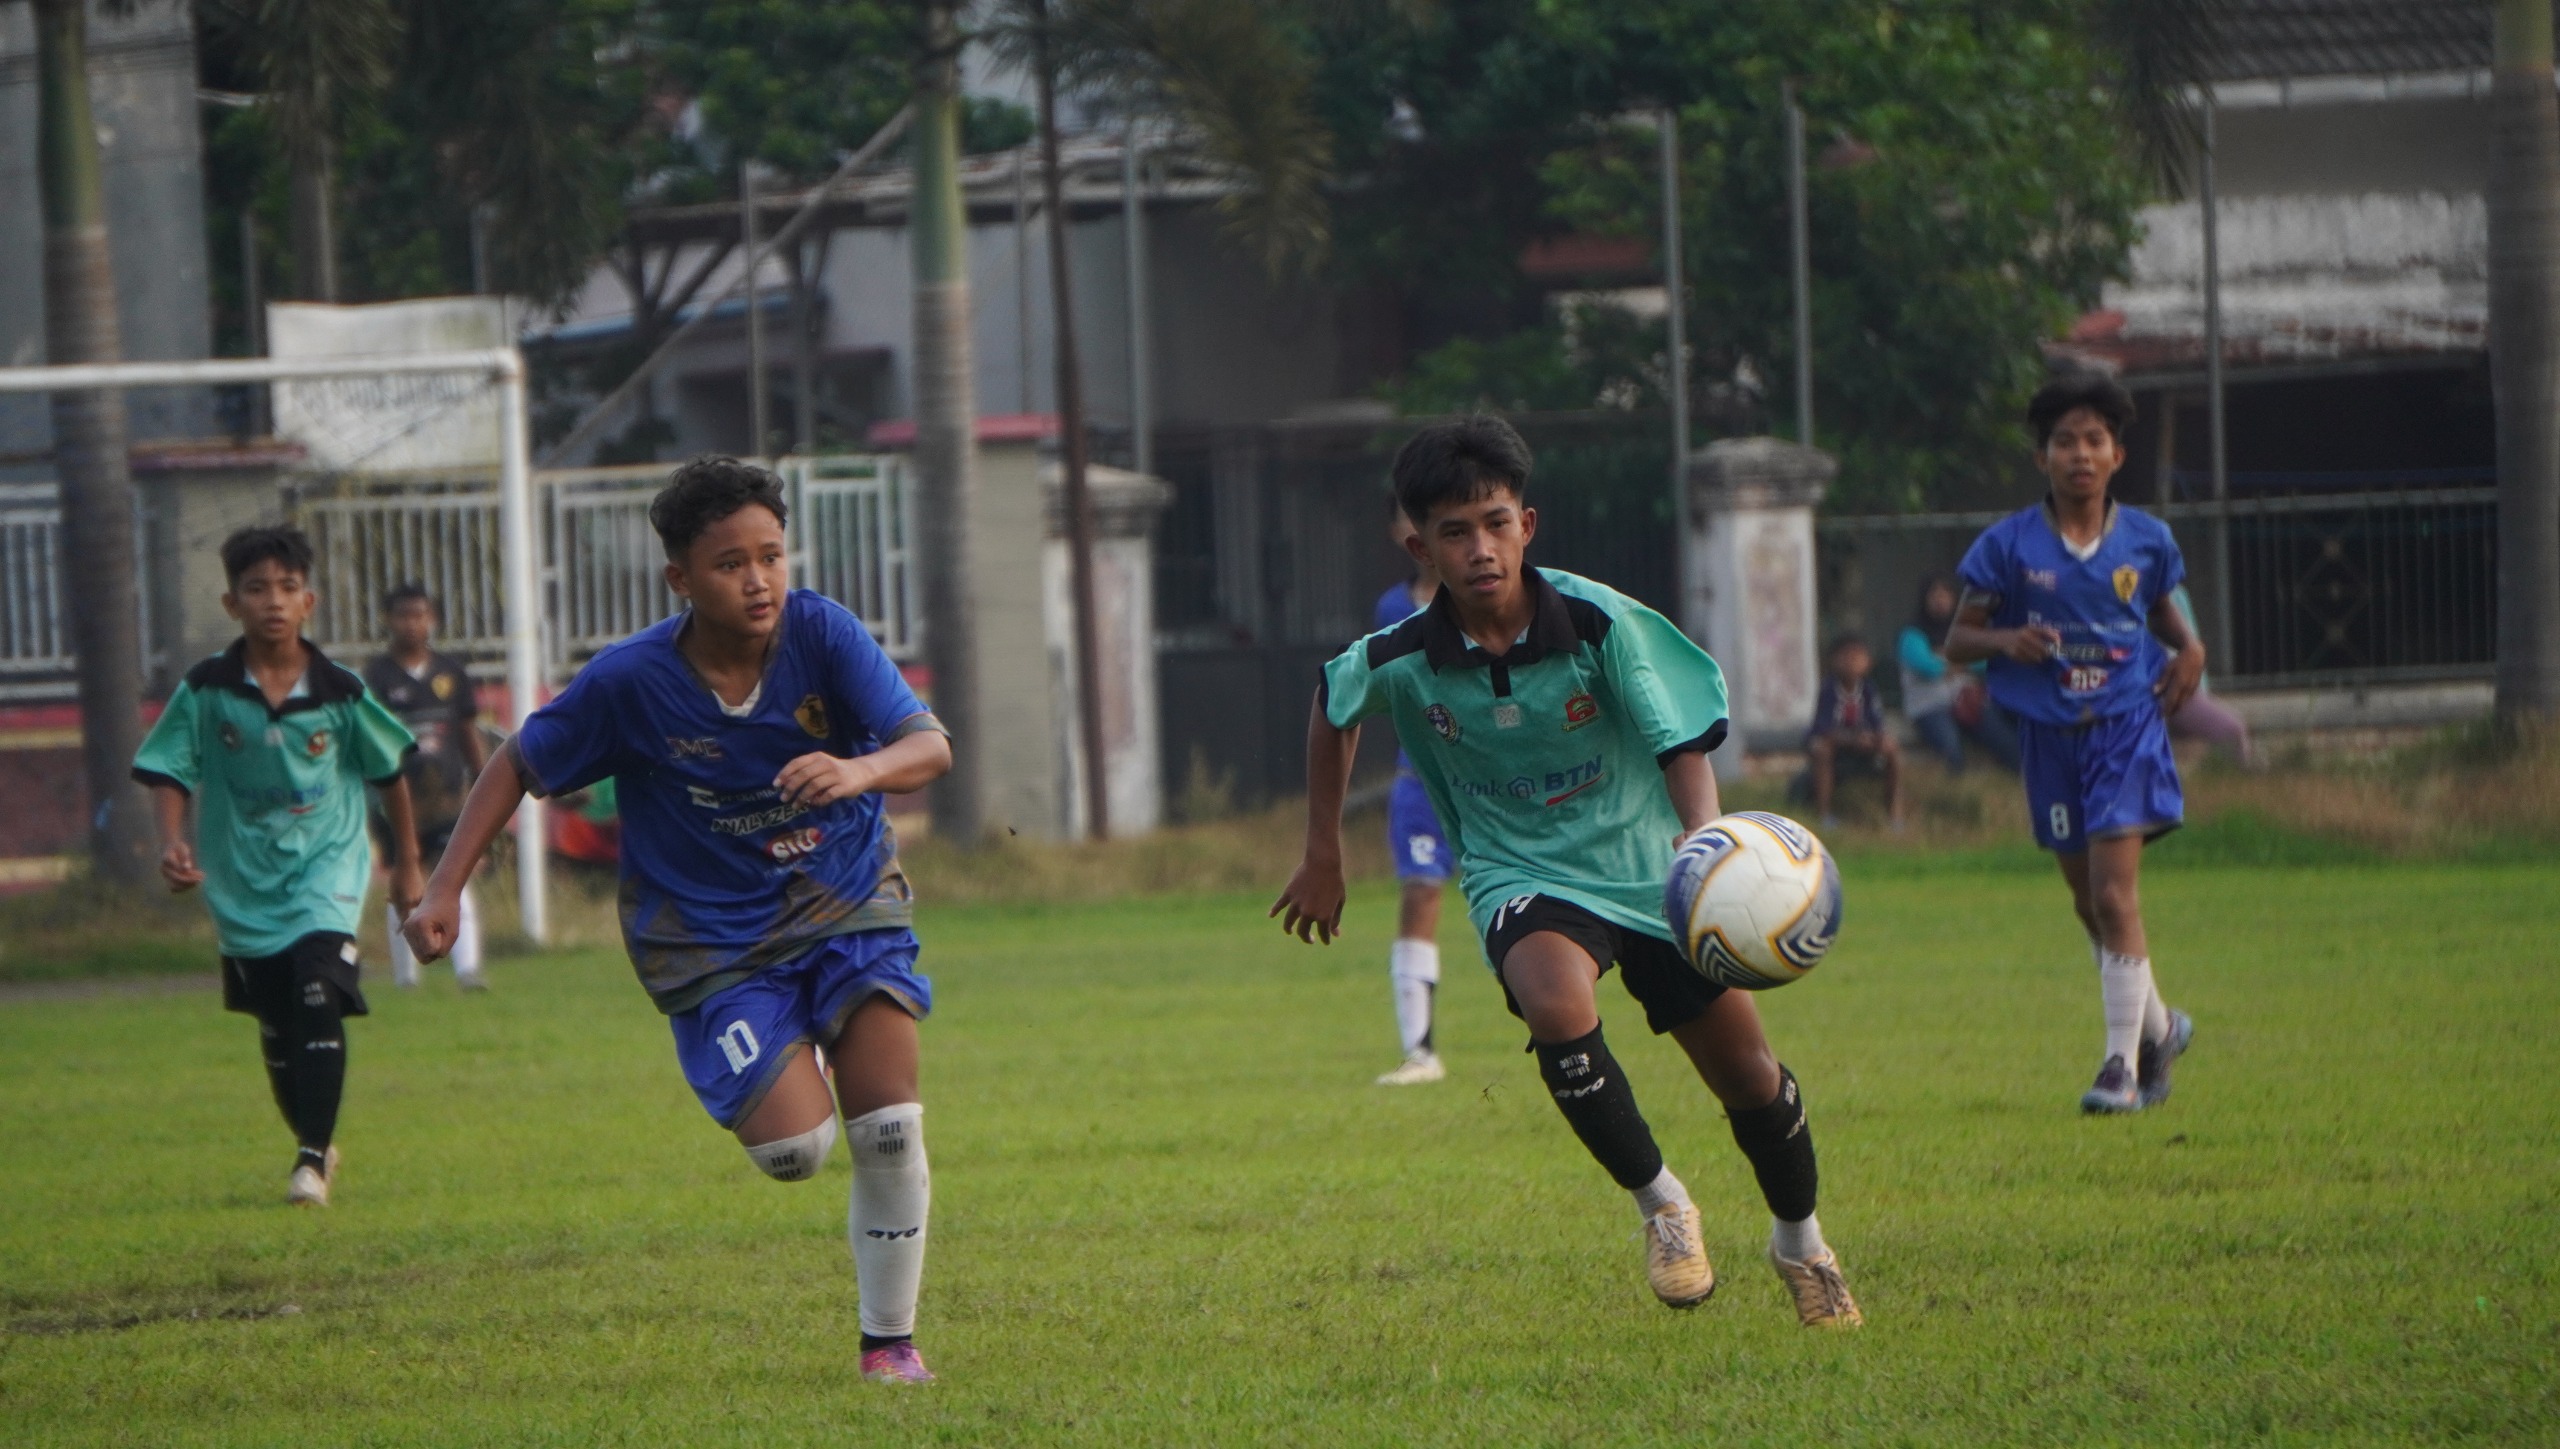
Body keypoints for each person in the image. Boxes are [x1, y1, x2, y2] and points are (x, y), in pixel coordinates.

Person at [1273, 415, 1862, 1327]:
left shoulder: (1596, 619)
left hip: (1649, 869)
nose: (1480, 549)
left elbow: (1678, 739)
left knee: (1750, 1077)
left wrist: (1706, 845)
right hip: (1520, 870)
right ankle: (1664, 1205)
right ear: (1416, 543)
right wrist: (1322, 851)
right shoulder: (1399, 656)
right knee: (1556, 1002)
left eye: (1496, 523)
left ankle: (1802, 1243)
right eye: (1455, 531)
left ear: (1528, 524)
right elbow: (1331, 703)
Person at [400, 458, 955, 1384]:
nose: (760, 578)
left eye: (772, 555)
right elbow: (517, 763)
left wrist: (857, 771)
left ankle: (888, 1342)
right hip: (714, 938)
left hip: (846, 900)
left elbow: (929, 744)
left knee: (889, 1127)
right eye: (732, 562)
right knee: (795, 1149)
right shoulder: (631, 682)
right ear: (681, 580)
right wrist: (443, 888)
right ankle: (792, 1045)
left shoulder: (825, 634)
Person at [131, 526, 425, 1208]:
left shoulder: (340, 690)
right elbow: (170, 766)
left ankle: (309, 1163)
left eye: (287, 588)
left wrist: (409, 866)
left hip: (327, 871)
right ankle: (318, 1143)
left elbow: (390, 772)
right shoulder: (207, 688)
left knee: (318, 991)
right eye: (258, 588)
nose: (274, 601)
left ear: (309, 601)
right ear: (233, 602)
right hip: (242, 882)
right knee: (276, 1020)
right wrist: (173, 841)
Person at [1945, 374, 2202, 1115]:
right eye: (2065, 441)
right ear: (2042, 458)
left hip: (2125, 727)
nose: (2080, 455)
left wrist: (2191, 653)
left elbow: (2176, 625)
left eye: (2094, 441)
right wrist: (2005, 638)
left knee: (2116, 892)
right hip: (2048, 738)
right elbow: (1957, 641)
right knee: (2088, 900)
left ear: (2118, 454)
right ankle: (2161, 1025)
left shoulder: (2148, 541)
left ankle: (2120, 1066)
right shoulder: (2008, 545)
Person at [364, 583, 489, 989]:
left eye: (420, 614)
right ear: (388, 620)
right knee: (406, 877)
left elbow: (468, 732)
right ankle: (406, 977)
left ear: (431, 619)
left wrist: (484, 781)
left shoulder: (451, 672)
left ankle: (467, 970)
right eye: (403, 615)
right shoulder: (377, 676)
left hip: (448, 798)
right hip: (398, 800)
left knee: (455, 878)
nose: (412, 623)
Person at [1372, 506, 1453, 1086]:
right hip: (1420, 783)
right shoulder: (1392, 609)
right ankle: (1419, 1050)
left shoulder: (1493, 599)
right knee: (1420, 893)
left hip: (1492, 786)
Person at [1898, 573, 2020, 773]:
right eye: (1935, 596)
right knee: (1950, 749)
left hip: (1965, 700)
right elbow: (1928, 667)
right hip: (1929, 705)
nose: (1941, 601)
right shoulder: (1912, 634)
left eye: (1945, 595)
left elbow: (1984, 660)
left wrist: (1946, 657)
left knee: (2004, 738)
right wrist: (1960, 660)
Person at [1805, 634, 1905, 832]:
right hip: (1836, 745)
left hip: (1863, 743)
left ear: (1868, 662)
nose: (1852, 662)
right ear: (1834, 661)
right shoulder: (1829, 690)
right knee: (1822, 750)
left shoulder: (1868, 689)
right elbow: (1824, 727)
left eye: (1858, 656)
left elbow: (1877, 722)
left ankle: (1894, 812)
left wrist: (1878, 738)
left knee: (1892, 749)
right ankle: (1825, 813)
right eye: (1846, 656)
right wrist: (1852, 739)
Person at [2161, 584, 2260, 768]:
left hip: (2181, 693)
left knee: (2233, 730)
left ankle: (2239, 779)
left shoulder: (2178, 595)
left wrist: (2198, 690)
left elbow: (2192, 649)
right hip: (2149, 690)